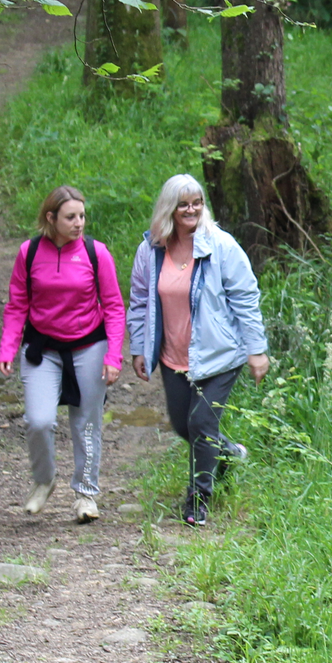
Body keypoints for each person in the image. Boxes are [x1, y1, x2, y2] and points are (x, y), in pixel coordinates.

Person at [127, 174, 270, 526]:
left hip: (219, 354)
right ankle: (229, 453)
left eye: (197, 203)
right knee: (184, 426)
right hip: (173, 356)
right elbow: (140, 301)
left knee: (201, 423)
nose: (191, 210)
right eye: (183, 205)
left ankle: (198, 500)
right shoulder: (151, 250)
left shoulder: (221, 246)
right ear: (169, 209)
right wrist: (139, 347)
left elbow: (246, 298)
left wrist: (256, 350)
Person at [0, 185, 125, 522]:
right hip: (43, 350)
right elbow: (17, 305)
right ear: (51, 218)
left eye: (82, 216)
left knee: (86, 424)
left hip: (89, 347)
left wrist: (113, 356)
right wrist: (8, 346)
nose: (79, 223)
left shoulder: (96, 253)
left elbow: (114, 307)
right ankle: (44, 480)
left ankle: (86, 495)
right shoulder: (29, 252)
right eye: (70, 217)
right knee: (38, 421)